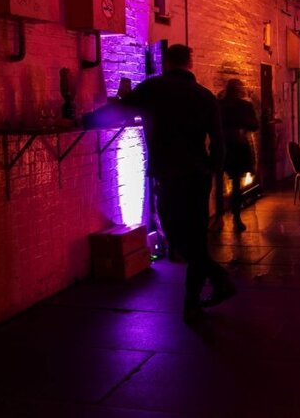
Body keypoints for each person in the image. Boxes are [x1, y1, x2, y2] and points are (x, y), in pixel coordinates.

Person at [84, 44, 236, 320]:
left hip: (168, 172)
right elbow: (218, 142)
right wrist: (214, 172)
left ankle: (217, 279)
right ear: (190, 62)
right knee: (196, 236)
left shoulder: (153, 89)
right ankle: (195, 299)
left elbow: (119, 110)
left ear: (166, 62)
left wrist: (85, 120)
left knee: (176, 235)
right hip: (198, 174)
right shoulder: (205, 97)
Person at [218, 78, 259, 232]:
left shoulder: (219, 105)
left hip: (221, 146)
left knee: (218, 183)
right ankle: (236, 217)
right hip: (238, 146)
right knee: (236, 184)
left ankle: (219, 217)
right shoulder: (245, 105)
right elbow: (254, 125)